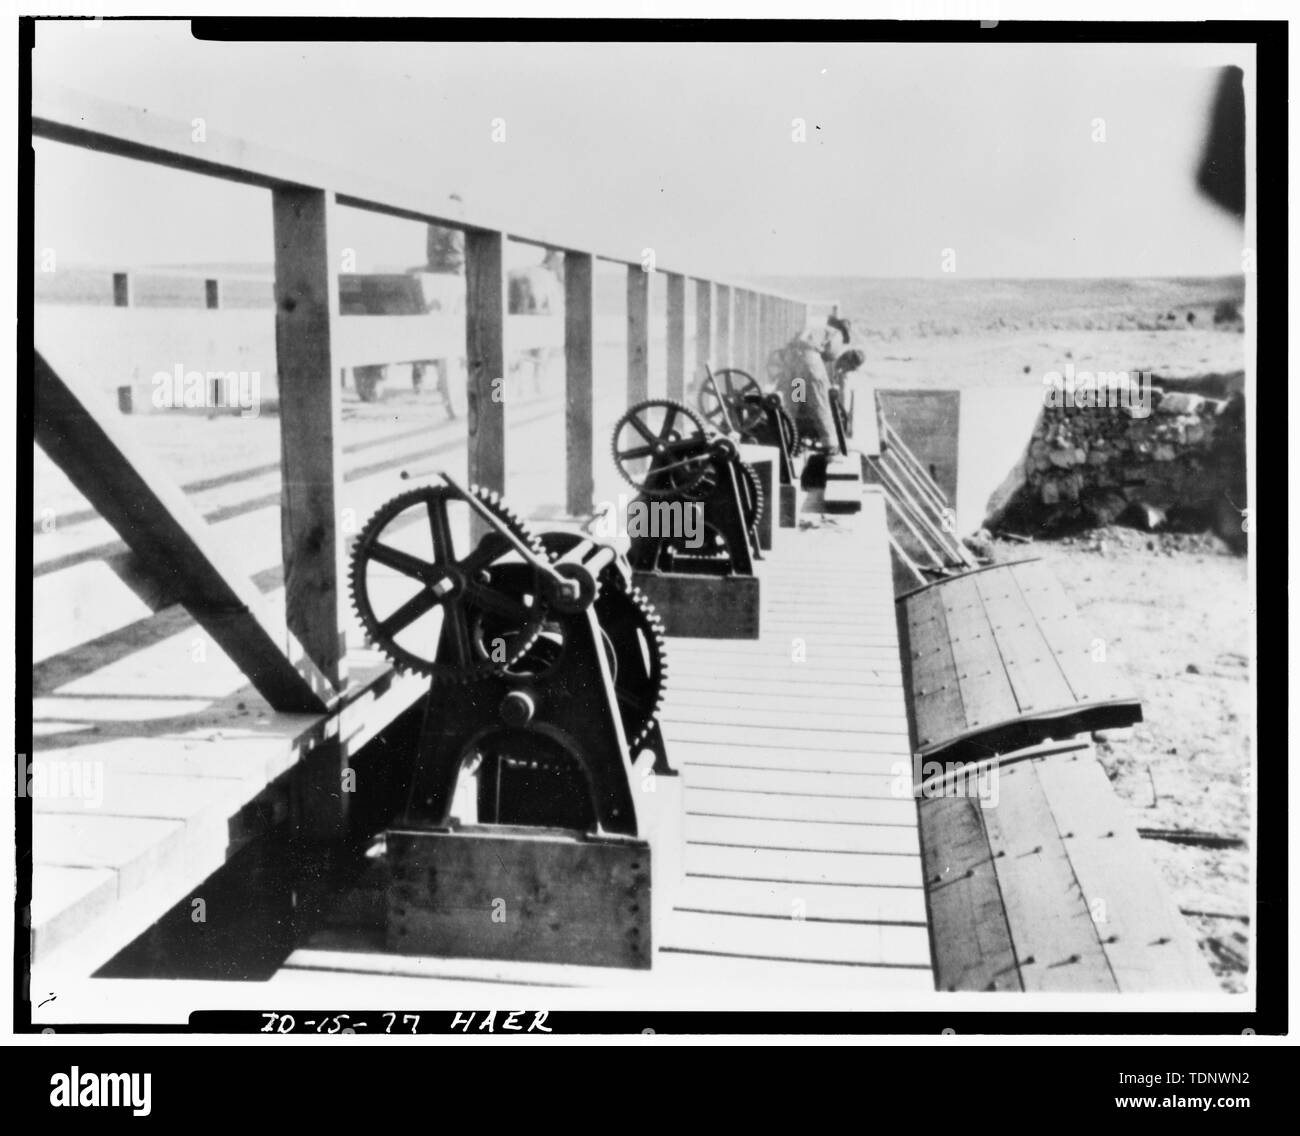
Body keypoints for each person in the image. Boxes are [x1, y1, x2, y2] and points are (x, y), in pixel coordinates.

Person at [772, 323, 838, 448]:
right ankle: (830, 443)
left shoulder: (813, 327)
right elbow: (830, 355)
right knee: (820, 399)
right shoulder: (835, 334)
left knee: (796, 400)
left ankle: (790, 438)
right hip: (810, 361)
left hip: (795, 362)